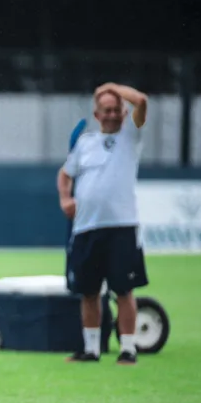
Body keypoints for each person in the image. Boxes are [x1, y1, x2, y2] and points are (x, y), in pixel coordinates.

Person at [57, 82, 149, 365]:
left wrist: (113, 88)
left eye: (115, 109)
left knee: (123, 289)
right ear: (97, 115)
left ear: (122, 112)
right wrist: (65, 199)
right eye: (105, 110)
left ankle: (128, 349)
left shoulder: (130, 137)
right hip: (86, 227)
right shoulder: (85, 143)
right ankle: (92, 349)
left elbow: (142, 101)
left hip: (122, 226)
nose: (111, 114)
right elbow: (65, 174)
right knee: (89, 291)